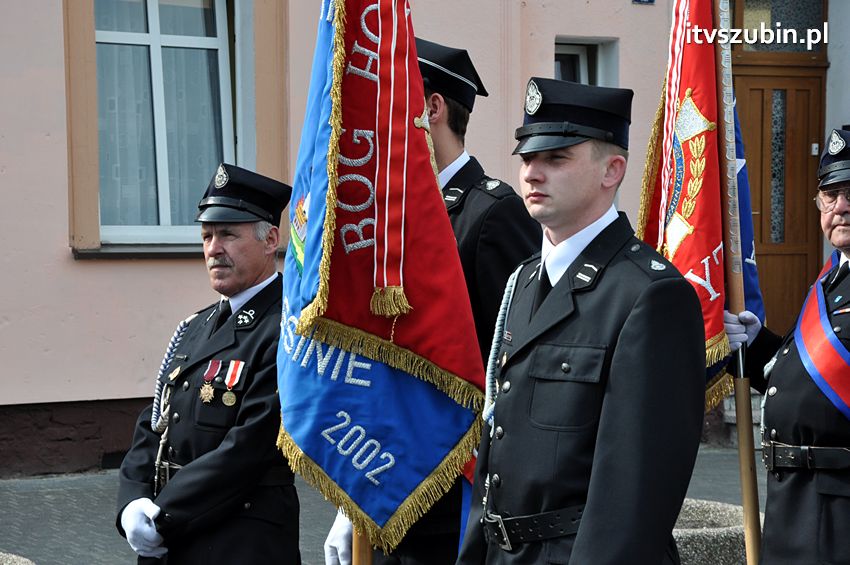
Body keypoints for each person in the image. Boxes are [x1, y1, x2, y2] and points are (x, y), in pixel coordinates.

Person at [456, 77, 706, 564]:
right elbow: (495, 446)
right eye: (527, 158)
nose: (531, 174)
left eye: (556, 158)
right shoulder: (523, 281)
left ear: (612, 170)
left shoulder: (650, 295)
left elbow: (633, 494)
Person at [324, 38, 539, 565]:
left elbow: (513, 362)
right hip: (383, 475)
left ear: (432, 108)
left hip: (454, 489)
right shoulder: (393, 221)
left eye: (392, 105)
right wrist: (350, 499)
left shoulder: (489, 213)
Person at [116, 163, 301, 564]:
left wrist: (162, 515)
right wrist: (132, 502)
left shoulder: (288, 327)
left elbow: (249, 448)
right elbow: (156, 419)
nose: (214, 248)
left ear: (270, 240)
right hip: (174, 537)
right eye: (206, 235)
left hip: (240, 540)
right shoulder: (195, 327)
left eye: (228, 234)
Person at [725, 127, 850, 564]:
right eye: (830, 194)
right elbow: (807, 380)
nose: (841, 207)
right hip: (796, 501)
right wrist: (756, 345)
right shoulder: (831, 279)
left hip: (838, 509)